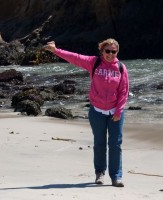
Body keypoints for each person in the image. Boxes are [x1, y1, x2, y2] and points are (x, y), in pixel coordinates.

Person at [44, 38, 129, 187]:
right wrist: (56, 51)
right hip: (96, 111)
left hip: (115, 113)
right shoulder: (94, 63)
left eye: (113, 51)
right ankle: (100, 174)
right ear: (102, 51)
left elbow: (124, 91)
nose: (110, 54)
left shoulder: (121, 68)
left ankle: (116, 177)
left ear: (117, 52)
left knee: (115, 144)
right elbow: (75, 58)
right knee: (99, 143)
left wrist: (119, 111)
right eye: (107, 51)